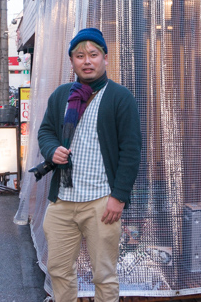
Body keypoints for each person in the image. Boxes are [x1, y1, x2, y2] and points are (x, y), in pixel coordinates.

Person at [37, 28, 141, 302]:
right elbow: (46, 131)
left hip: (101, 202)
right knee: (58, 270)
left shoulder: (120, 97)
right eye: (79, 55)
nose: (86, 61)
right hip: (62, 200)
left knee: (104, 275)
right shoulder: (61, 96)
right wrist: (51, 150)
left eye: (93, 55)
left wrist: (119, 197)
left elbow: (131, 151)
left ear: (105, 58)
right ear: (72, 61)